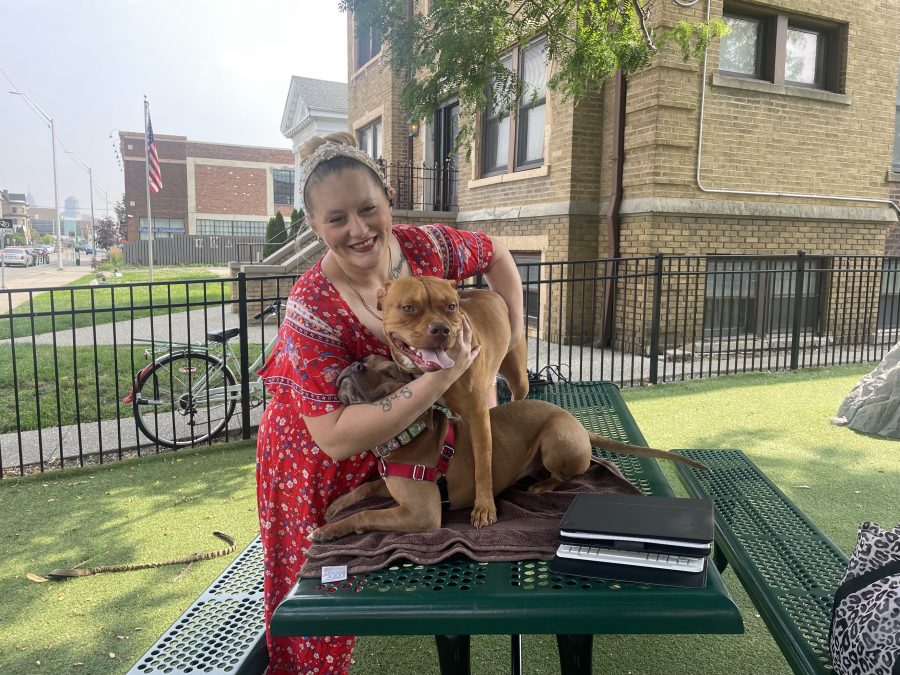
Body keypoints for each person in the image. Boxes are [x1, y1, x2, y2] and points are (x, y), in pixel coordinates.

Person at [255, 131, 524, 674]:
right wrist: (441, 379)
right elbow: (331, 434)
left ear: (388, 202)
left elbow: (495, 253)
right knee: (322, 608)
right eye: (336, 219)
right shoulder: (311, 304)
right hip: (318, 458)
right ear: (314, 225)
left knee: (428, 572)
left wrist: (509, 343)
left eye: (367, 209)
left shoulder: (424, 248)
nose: (357, 229)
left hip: (408, 447)